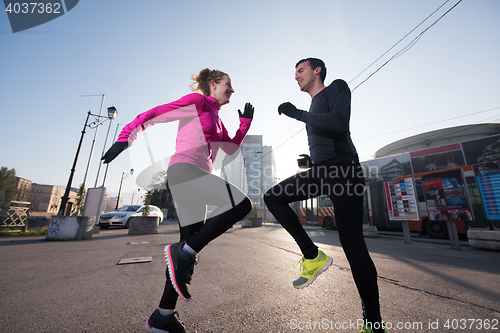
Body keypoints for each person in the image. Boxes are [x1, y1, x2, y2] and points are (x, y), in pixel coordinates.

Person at [102, 68, 254, 333]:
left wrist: (244, 126)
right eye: (228, 84)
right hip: (185, 171)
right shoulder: (196, 102)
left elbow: (228, 150)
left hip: (197, 177)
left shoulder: (218, 119)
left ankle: (163, 315)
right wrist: (126, 137)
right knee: (241, 204)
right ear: (213, 84)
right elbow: (153, 115)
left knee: (184, 254)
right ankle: (182, 253)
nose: (232, 90)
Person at [263, 58, 386, 333]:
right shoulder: (313, 106)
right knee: (273, 197)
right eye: (294, 72)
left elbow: (339, 123)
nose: (296, 76)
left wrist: (297, 113)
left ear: (317, 70)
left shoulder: (336, 88)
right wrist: (311, 160)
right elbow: (325, 136)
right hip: (322, 170)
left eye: (300, 70)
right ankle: (312, 255)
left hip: (344, 170)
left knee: (353, 244)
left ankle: (373, 324)